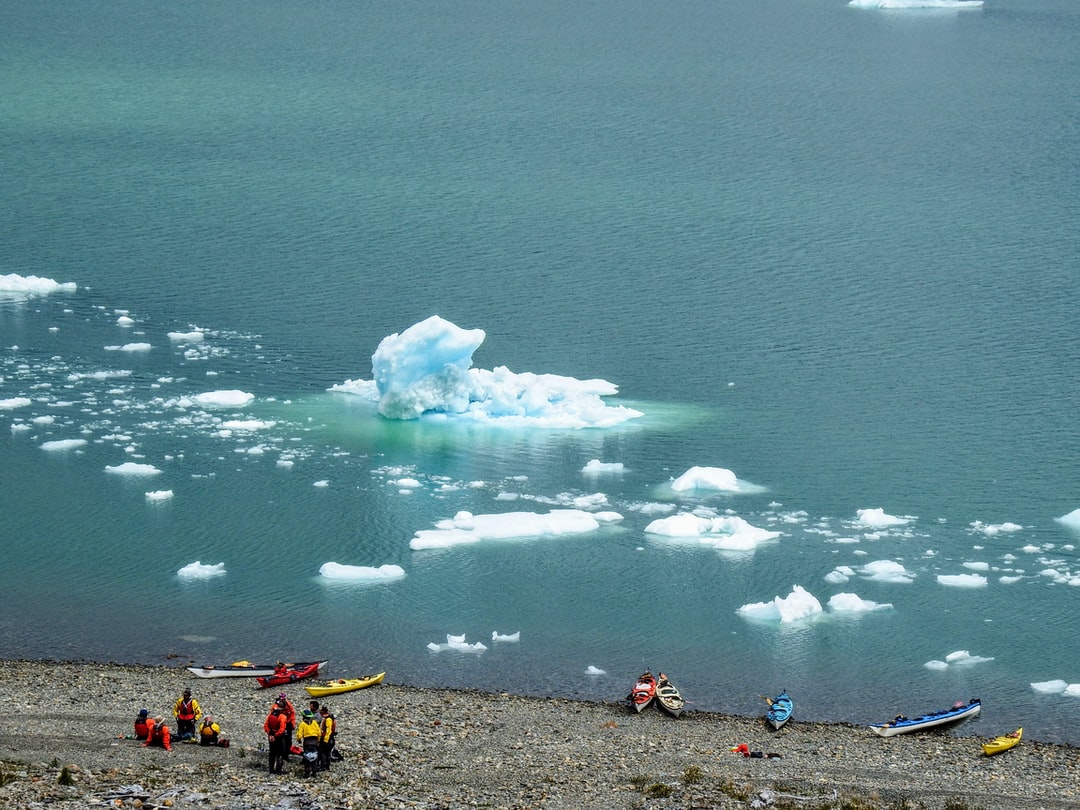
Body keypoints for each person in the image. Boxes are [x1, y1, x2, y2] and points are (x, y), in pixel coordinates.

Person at [296, 709, 322, 777]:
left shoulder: (302, 724)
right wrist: (318, 740)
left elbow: (299, 733)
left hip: (307, 742)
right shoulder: (314, 723)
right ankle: (314, 772)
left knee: (307, 757)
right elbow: (319, 732)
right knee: (315, 757)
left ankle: (307, 772)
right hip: (315, 741)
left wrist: (299, 740)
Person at [264, 704, 288, 774]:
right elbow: (282, 729)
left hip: (271, 737)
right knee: (280, 753)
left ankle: (271, 769)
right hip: (279, 737)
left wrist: (270, 734)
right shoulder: (282, 716)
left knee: (272, 753)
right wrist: (276, 735)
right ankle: (278, 769)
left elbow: (265, 726)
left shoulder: (270, 715)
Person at [276, 693, 296, 759]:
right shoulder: (275, 707)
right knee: (281, 741)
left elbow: (292, 714)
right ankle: (281, 754)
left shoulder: (288, 705)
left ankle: (286, 754)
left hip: (287, 724)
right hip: (280, 725)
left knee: (288, 741)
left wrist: (292, 723)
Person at [317, 705, 336, 771]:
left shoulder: (328, 720)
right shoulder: (329, 718)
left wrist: (325, 739)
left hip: (327, 739)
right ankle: (327, 765)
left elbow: (329, 730)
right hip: (330, 738)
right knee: (327, 752)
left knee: (323, 752)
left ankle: (324, 765)